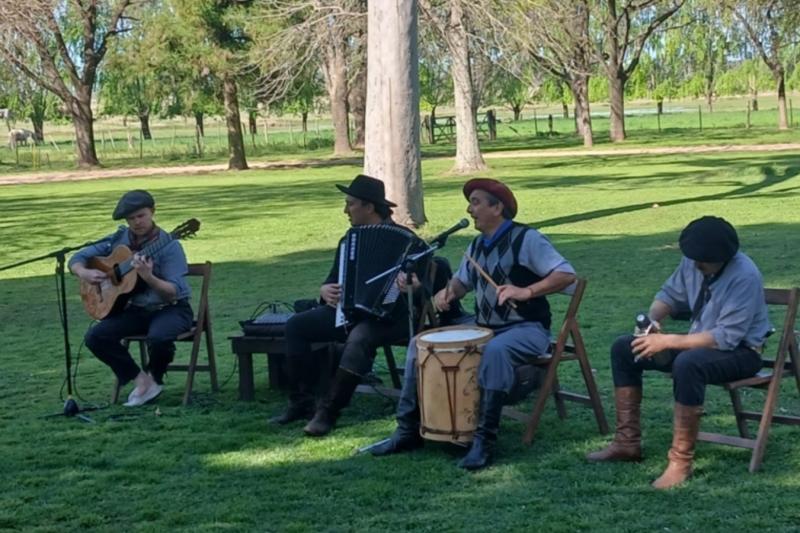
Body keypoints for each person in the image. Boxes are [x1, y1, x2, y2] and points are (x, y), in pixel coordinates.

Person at [370, 178, 576, 470]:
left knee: (495, 351)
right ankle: (407, 430)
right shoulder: (477, 245)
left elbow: (567, 275)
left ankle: (483, 441)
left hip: (527, 329)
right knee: (420, 344)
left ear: (498, 207)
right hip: (485, 328)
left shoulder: (527, 239)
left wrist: (526, 291)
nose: (470, 209)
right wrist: (448, 291)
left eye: (477, 202)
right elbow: (462, 283)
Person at [587, 216, 770, 489]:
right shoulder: (693, 260)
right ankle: (627, 443)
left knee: (688, 363)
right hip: (697, 343)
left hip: (741, 352)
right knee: (624, 348)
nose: (696, 265)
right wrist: (653, 321)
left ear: (722, 258)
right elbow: (670, 295)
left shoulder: (745, 275)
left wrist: (669, 341)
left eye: (702, 261)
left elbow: (725, 337)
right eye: (693, 258)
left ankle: (680, 462)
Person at [270, 174, 421, 437]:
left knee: (359, 337)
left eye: (350, 204)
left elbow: (430, 283)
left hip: (389, 318)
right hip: (346, 312)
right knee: (296, 325)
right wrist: (325, 291)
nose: (345, 210)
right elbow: (332, 280)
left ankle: (328, 411)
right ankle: (301, 401)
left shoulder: (409, 242)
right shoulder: (349, 240)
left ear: (369, 207)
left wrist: (413, 286)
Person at [69, 190, 193, 407]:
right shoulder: (119, 239)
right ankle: (142, 381)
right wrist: (83, 272)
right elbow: (78, 257)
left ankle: (155, 376)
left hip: (171, 308)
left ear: (152, 212)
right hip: (136, 310)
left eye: (141, 215)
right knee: (95, 337)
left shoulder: (170, 245)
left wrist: (148, 277)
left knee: (159, 337)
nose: (137, 222)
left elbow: (173, 291)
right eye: (131, 218)